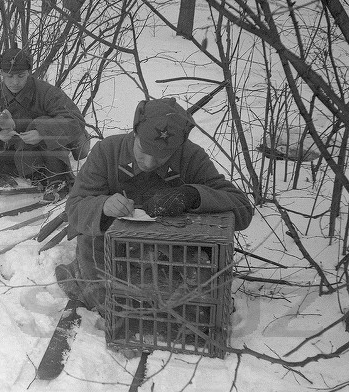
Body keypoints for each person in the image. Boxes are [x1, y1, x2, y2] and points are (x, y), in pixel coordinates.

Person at [56, 97, 254, 309]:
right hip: (112, 250)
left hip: (169, 251)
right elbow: (75, 208)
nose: (149, 162)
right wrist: (103, 206)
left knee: (191, 297)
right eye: (144, 150)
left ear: (177, 148)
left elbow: (242, 208)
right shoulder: (107, 152)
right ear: (135, 133)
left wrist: (192, 195)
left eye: (162, 156)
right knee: (102, 282)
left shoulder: (190, 156)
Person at [0, 48, 88, 200]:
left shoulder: (46, 92)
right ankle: (37, 173)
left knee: (43, 123)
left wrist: (41, 133)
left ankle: (58, 178)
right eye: (9, 76)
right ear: (1, 73)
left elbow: (76, 120)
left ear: (28, 72)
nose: (15, 82)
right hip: (22, 148)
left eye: (21, 76)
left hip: (52, 148)